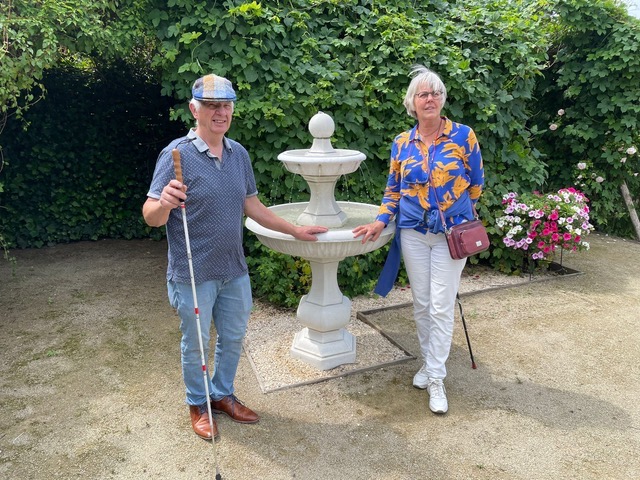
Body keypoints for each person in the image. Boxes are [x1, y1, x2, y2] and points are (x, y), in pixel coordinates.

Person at [143, 73, 327, 440]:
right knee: (196, 342)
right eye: (212, 105)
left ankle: (222, 394)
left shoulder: (238, 153)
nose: (220, 112)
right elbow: (151, 216)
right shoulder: (175, 154)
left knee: (232, 336)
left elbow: (251, 205)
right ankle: (198, 403)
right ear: (194, 109)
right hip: (193, 271)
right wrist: (163, 202)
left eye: (226, 105)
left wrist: (294, 229)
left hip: (233, 268)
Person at [353, 65, 484, 414]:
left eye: (436, 93)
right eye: (423, 94)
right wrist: (380, 222)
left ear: (442, 99)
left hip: (449, 236)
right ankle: (428, 363)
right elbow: (393, 190)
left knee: (442, 305)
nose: (431, 99)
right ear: (412, 102)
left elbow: (476, 184)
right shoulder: (401, 142)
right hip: (412, 234)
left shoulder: (463, 136)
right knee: (423, 304)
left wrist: (455, 213)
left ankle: (437, 377)